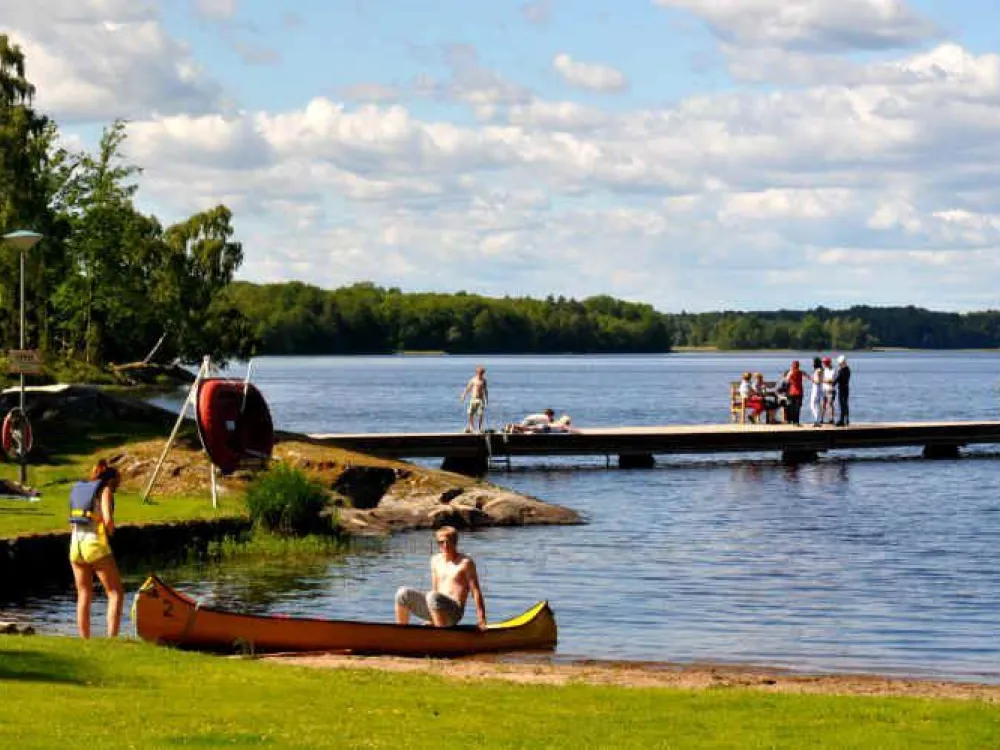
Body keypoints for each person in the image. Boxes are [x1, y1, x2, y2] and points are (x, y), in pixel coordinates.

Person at [69, 460, 124, 639]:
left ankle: (84, 639)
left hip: (75, 545)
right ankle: (112, 639)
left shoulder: (81, 490)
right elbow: (107, 520)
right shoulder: (105, 491)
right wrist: (112, 532)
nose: (118, 486)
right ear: (111, 480)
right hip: (94, 545)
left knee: (84, 593)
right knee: (115, 593)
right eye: (118, 481)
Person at [395, 526, 487, 629]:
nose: (445, 545)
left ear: (455, 542)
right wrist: (430, 619)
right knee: (402, 593)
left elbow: (475, 591)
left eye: (448, 541)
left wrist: (481, 619)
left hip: (454, 612)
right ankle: (401, 632)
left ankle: (440, 634)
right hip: (435, 603)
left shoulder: (466, 563)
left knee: (432, 595)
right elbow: (435, 588)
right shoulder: (435, 560)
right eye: (441, 542)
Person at [460, 366, 489, 433]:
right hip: (473, 399)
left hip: (480, 400)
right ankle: (471, 427)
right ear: (477, 372)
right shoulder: (473, 380)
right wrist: (463, 395)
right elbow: (468, 388)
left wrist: (486, 399)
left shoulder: (484, 381)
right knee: (470, 413)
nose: (481, 374)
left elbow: (485, 390)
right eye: (480, 372)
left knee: (480, 414)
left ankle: (479, 428)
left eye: (482, 373)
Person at [834, 355, 851, 426]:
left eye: (839, 363)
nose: (838, 364)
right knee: (845, 404)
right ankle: (846, 420)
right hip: (846, 389)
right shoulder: (848, 370)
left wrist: (832, 383)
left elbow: (838, 379)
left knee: (842, 405)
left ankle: (842, 420)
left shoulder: (841, 371)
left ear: (842, 363)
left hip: (842, 389)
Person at [786, 360, 804, 426]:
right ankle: (796, 422)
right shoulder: (800, 372)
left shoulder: (791, 372)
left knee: (793, 408)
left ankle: (794, 421)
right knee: (797, 408)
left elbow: (787, 379)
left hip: (792, 392)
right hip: (798, 392)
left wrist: (790, 372)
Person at [821, 356, 837, 424]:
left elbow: (832, 381)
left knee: (830, 404)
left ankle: (831, 419)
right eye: (824, 363)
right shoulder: (824, 370)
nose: (824, 364)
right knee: (823, 404)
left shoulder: (834, 370)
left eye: (825, 363)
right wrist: (826, 380)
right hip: (824, 389)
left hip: (831, 389)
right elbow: (822, 379)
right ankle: (821, 419)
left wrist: (825, 380)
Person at [809, 356, 823, 426]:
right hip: (816, 387)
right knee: (816, 404)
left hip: (816, 388)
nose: (812, 363)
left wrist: (811, 379)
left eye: (813, 362)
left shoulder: (818, 370)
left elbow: (818, 381)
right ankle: (817, 420)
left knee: (813, 404)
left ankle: (817, 420)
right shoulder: (819, 370)